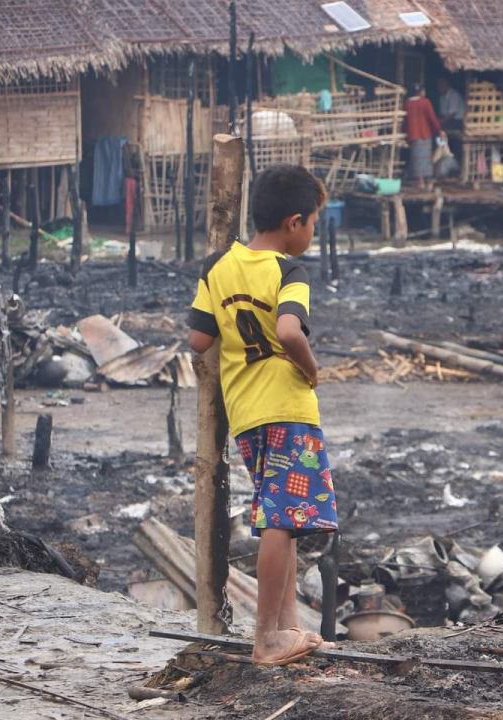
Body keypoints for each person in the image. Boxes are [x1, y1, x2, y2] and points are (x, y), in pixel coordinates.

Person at [187, 165, 337, 666]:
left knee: (286, 519)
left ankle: (289, 626)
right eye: (313, 222)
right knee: (282, 518)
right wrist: (312, 371)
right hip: (288, 409)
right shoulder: (289, 273)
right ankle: (266, 638)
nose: (313, 232)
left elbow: (198, 339)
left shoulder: (217, 267)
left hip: (247, 414)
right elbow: (291, 331)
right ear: (294, 222)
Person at [404, 83, 442, 190]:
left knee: (417, 159)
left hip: (413, 134)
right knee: (426, 158)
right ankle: (427, 181)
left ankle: (420, 182)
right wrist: (439, 130)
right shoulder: (425, 102)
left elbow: (405, 121)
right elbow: (432, 118)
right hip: (425, 134)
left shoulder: (407, 104)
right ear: (421, 92)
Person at [437, 77, 466, 160]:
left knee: (440, 125)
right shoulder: (442, 97)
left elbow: (452, 114)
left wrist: (440, 121)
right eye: (438, 85)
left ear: (446, 85)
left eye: (441, 84)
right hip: (450, 121)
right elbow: (443, 114)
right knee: (437, 125)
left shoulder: (454, 95)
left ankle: (441, 147)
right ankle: (440, 147)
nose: (439, 87)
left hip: (459, 121)